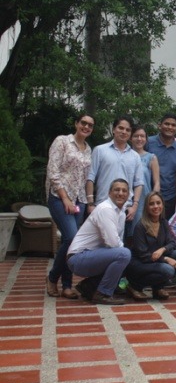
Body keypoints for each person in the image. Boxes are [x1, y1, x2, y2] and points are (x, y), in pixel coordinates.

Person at [46, 113, 95, 299]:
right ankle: (52, 278)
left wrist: (88, 202)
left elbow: (86, 178)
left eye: (90, 125)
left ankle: (67, 285)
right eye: (83, 123)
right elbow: (52, 171)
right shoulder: (62, 142)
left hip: (79, 200)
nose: (86, 127)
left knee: (73, 243)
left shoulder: (88, 149)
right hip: (59, 198)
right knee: (71, 237)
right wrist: (65, 198)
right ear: (76, 123)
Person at [67, 179, 132, 305]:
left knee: (123, 255)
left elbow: (117, 243)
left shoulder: (121, 214)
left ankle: (88, 286)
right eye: (116, 190)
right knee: (124, 254)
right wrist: (126, 256)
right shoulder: (105, 209)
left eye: (124, 190)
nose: (120, 193)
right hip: (78, 258)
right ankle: (103, 293)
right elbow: (113, 243)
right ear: (109, 193)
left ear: (128, 195)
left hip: (92, 255)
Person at [86, 116, 144, 224]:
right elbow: (90, 177)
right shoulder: (100, 150)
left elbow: (138, 183)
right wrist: (90, 204)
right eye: (120, 128)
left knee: (120, 240)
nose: (124, 132)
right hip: (102, 205)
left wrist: (134, 206)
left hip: (125, 208)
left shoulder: (135, 156)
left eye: (127, 130)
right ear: (113, 129)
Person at [124, 191, 176, 300]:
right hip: (139, 263)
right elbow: (143, 255)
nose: (156, 206)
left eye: (158, 203)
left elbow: (172, 242)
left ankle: (158, 288)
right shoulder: (140, 226)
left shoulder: (163, 222)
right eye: (151, 204)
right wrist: (166, 259)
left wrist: (162, 249)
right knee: (168, 270)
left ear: (162, 204)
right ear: (146, 207)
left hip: (154, 261)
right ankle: (134, 286)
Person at [148, 113, 176, 218]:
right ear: (159, 125)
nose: (170, 127)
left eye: (173, 125)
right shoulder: (148, 143)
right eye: (167, 124)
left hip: (170, 198)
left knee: (166, 228)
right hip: (148, 195)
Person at [126, 125, 160, 238]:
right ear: (131, 138)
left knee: (139, 231)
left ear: (146, 139)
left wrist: (153, 199)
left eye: (142, 136)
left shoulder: (151, 157)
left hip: (143, 200)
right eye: (136, 136)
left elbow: (156, 182)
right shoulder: (124, 154)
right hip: (125, 196)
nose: (139, 139)